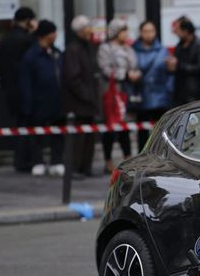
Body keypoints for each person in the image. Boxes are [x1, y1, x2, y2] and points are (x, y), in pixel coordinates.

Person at [18, 20, 64, 177]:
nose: (56, 35)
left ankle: (57, 161)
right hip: (38, 101)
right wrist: (28, 104)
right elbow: (25, 82)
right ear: (45, 35)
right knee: (37, 134)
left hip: (56, 100)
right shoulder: (31, 56)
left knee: (57, 133)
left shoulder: (56, 53)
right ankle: (37, 161)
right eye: (53, 32)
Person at [0, 6, 37, 172]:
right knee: (28, 126)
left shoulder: (4, 40)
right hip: (26, 91)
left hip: (10, 91)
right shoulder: (28, 41)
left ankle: (19, 160)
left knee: (19, 125)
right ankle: (25, 161)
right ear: (28, 21)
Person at [97, 18, 141, 174]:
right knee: (110, 127)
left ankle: (128, 158)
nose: (126, 34)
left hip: (126, 92)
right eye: (123, 31)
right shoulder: (105, 48)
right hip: (112, 93)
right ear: (115, 32)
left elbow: (135, 65)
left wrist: (136, 73)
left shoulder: (129, 49)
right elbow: (106, 69)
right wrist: (126, 74)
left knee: (125, 127)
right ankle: (108, 160)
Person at [62, 15, 100, 177]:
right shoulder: (73, 49)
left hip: (90, 100)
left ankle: (86, 166)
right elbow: (73, 77)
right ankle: (75, 168)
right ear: (79, 31)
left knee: (89, 136)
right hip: (78, 102)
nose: (89, 31)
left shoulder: (89, 47)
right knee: (78, 137)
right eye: (86, 28)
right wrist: (86, 94)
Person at [132, 21, 173, 149]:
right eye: (146, 31)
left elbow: (170, 74)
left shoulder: (163, 51)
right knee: (142, 133)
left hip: (160, 97)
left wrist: (168, 91)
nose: (149, 34)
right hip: (142, 96)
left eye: (151, 31)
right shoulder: (133, 51)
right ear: (140, 33)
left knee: (161, 133)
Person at [167, 17, 200, 105]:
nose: (175, 32)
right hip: (180, 93)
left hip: (195, 93)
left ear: (185, 31)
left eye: (178, 30)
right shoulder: (179, 45)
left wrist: (178, 66)